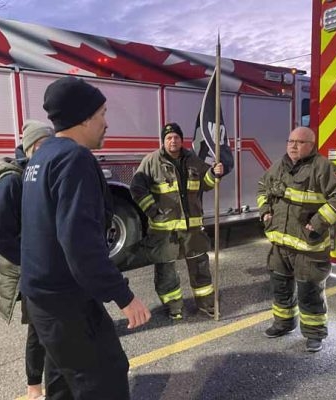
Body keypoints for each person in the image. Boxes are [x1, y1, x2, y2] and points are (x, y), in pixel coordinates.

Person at [20, 76, 151, 399]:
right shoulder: (74, 159)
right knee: (104, 379)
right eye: (102, 114)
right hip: (67, 301)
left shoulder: (41, 156)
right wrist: (124, 296)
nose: (106, 123)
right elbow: (80, 245)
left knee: (64, 381)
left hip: (44, 297)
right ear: (84, 118)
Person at [256, 126, 336, 352]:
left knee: (309, 291)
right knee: (280, 287)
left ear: (311, 145)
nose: (293, 145)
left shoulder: (323, 168)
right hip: (280, 244)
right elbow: (262, 187)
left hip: (309, 245)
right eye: (290, 141)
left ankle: (314, 334)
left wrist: (318, 222)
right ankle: (283, 323)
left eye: (299, 142)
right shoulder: (279, 166)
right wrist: (265, 211)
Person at [129, 122, 223, 320]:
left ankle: (206, 304)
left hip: (192, 228)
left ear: (182, 140)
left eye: (176, 137)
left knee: (200, 266)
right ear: (163, 141)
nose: (173, 141)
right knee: (166, 270)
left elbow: (206, 184)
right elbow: (137, 188)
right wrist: (153, 211)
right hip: (165, 230)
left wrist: (214, 174)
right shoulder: (151, 161)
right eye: (169, 138)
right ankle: (174, 307)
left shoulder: (192, 159)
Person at [0, 120, 54, 400]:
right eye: (43, 144)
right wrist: (30, 261)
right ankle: (33, 388)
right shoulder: (12, 180)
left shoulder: (36, 173)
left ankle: (53, 383)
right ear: (30, 147)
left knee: (51, 328)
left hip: (46, 268)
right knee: (39, 331)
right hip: (31, 270)